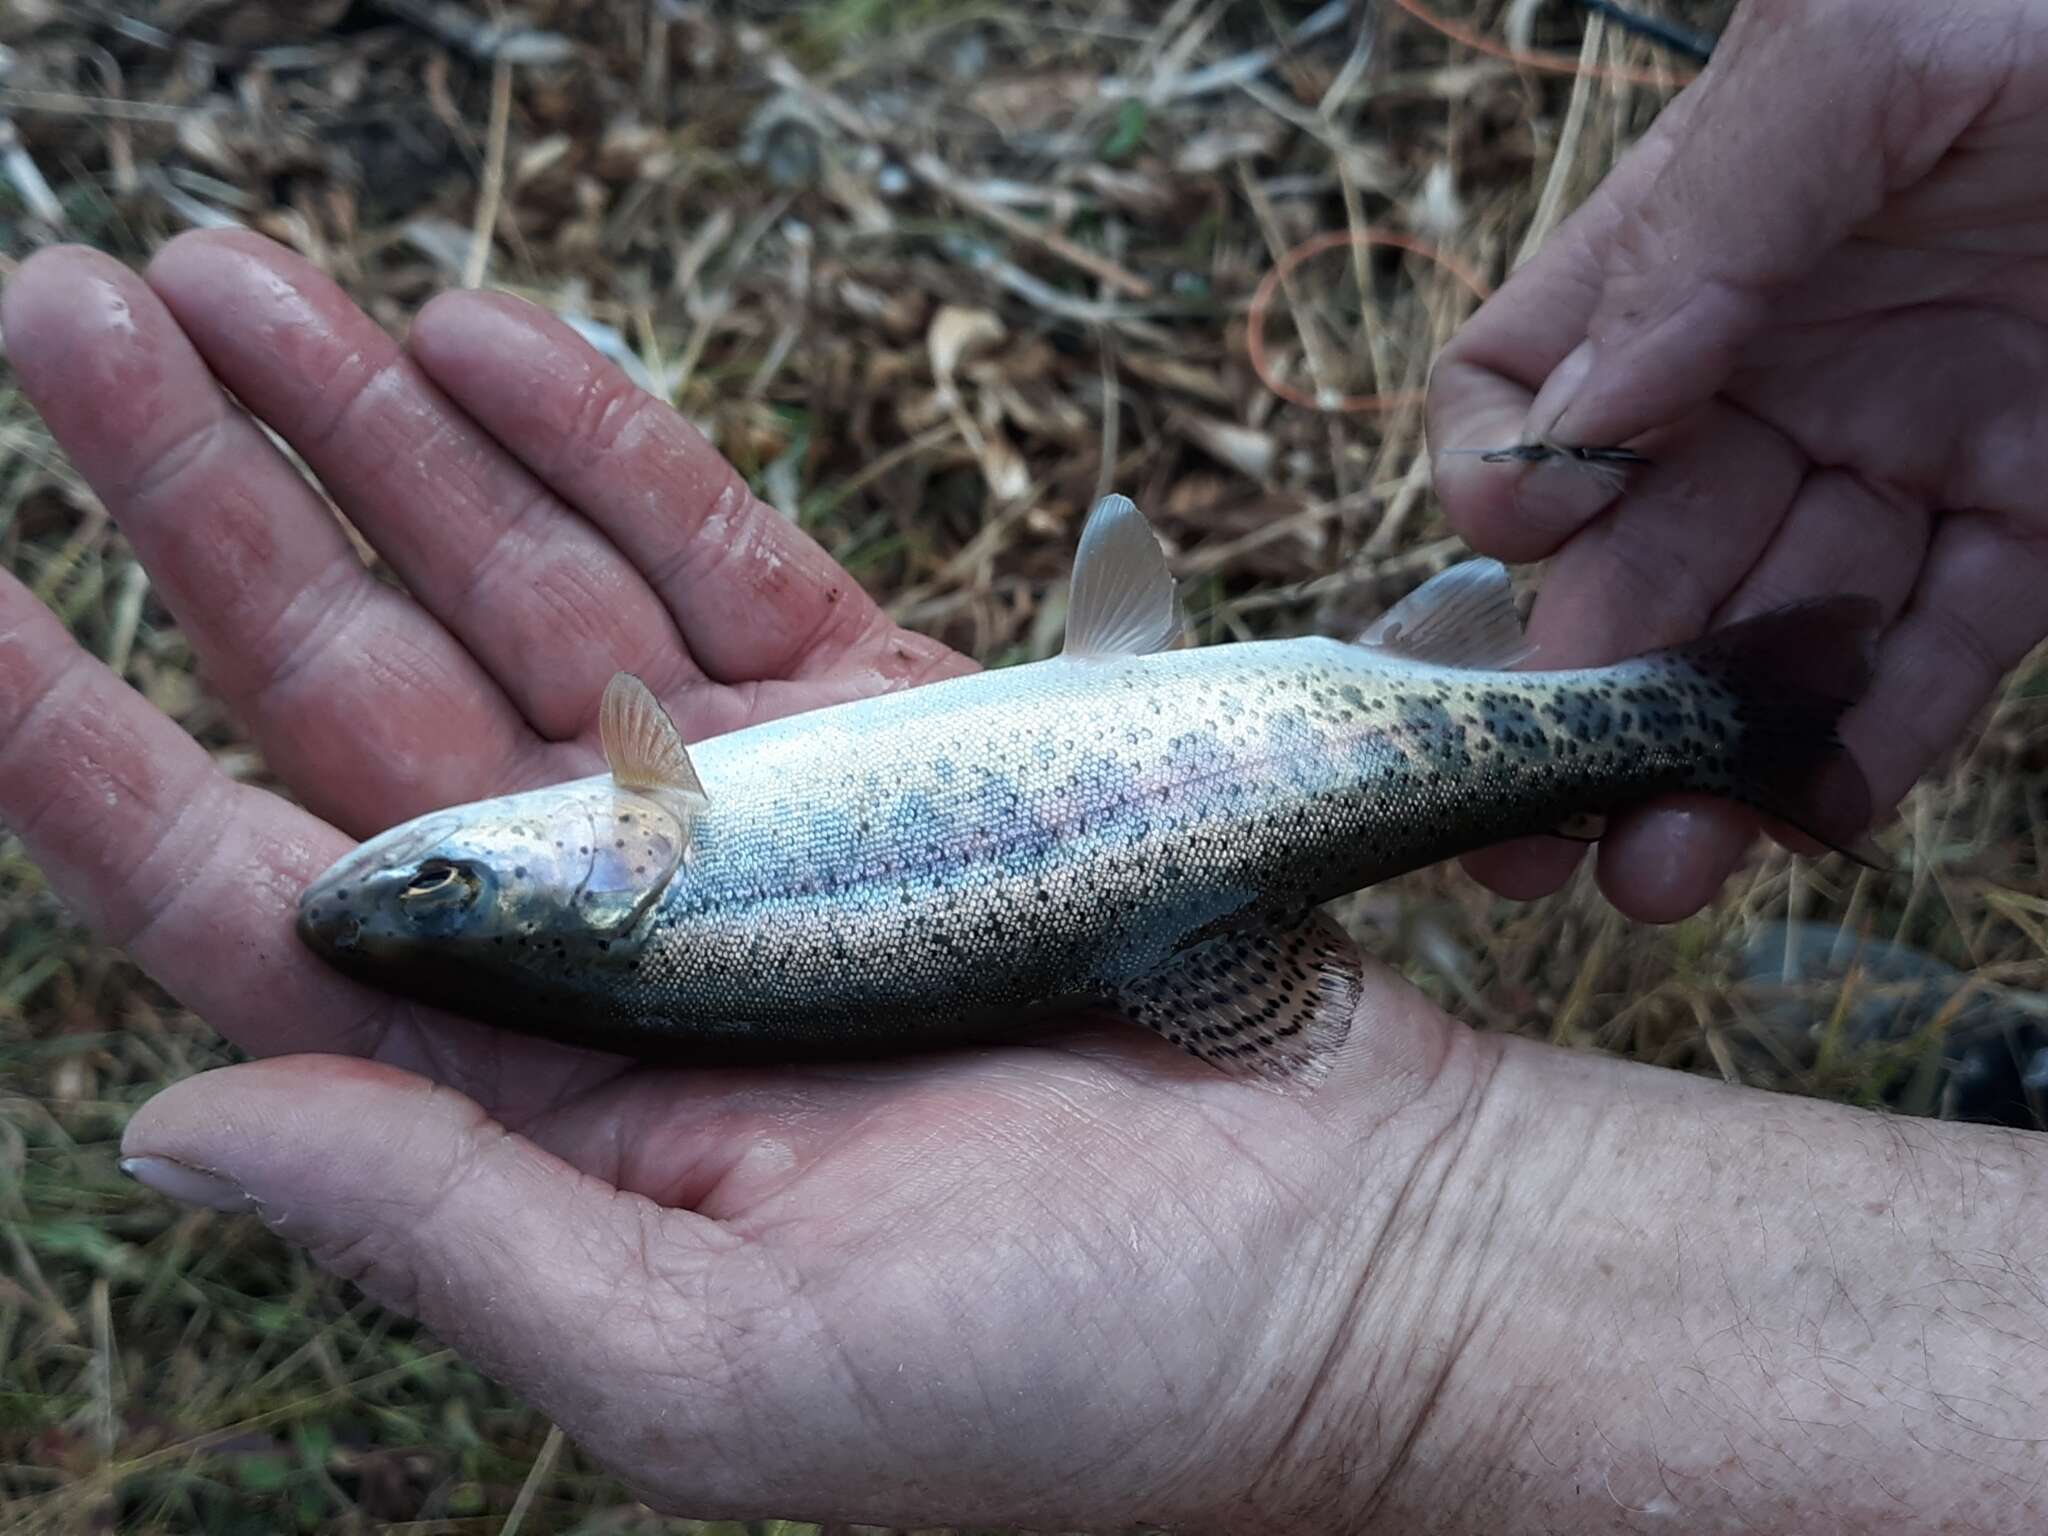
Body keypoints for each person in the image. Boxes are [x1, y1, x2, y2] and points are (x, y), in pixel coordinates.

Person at [2, 0, 2044, 1526]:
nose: (435, 855)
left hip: (1219, 807)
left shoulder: (639, 862)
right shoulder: (638, 826)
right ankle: (1726, 726)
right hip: (1230, 780)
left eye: (436, 879)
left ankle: (1726, 731)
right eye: (444, 885)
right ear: (597, 861)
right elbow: (622, 769)